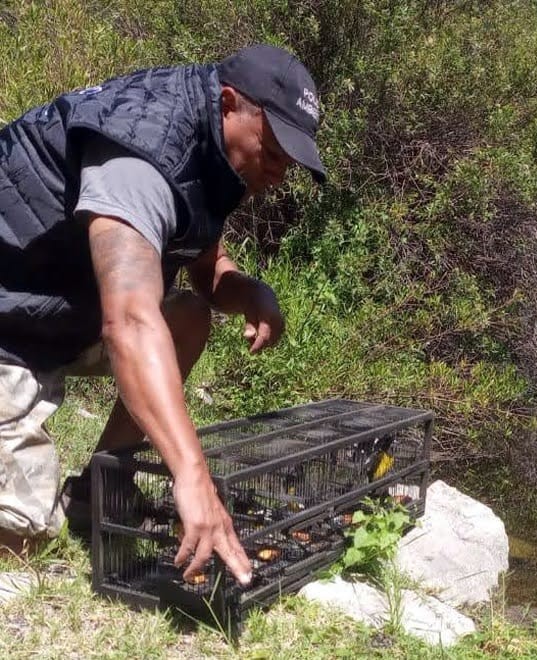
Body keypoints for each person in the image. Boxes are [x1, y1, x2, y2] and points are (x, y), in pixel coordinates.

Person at [0, 43, 326, 587]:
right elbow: (129, 321)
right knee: (21, 539)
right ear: (229, 104)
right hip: (9, 322)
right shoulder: (145, 153)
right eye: (273, 153)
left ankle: (100, 490)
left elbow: (201, 265)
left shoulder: (215, 150)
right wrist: (192, 474)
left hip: (55, 314)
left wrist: (246, 290)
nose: (280, 173)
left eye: (290, 162)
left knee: (189, 315)